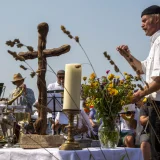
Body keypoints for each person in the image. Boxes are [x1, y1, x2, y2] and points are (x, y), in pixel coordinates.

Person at [116, 5, 160, 159]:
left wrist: (139, 94)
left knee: (153, 150)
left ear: (157, 18)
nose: (141, 25)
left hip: (157, 105)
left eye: (144, 20)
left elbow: (159, 80)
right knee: (146, 145)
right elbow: (142, 69)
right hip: (152, 105)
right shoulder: (155, 42)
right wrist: (127, 56)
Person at [47, 70, 66, 135]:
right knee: (52, 131)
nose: (61, 79)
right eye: (59, 77)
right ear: (56, 77)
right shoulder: (52, 86)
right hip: (53, 112)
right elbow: (48, 98)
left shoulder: (68, 87)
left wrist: (65, 86)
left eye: (63, 78)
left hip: (64, 113)